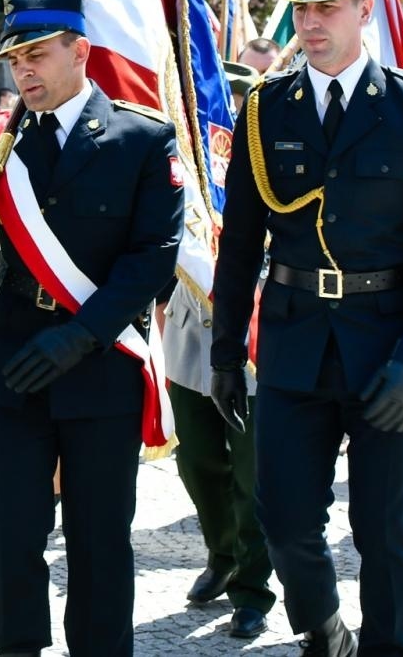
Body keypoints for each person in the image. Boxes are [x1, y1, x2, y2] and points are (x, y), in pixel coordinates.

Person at [0, 0, 184, 656]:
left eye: (38, 55)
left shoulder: (141, 138)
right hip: (14, 364)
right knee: (11, 531)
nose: (24, 71)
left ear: (79, 50)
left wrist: (80, 334)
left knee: (99, 537)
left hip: (100, 365)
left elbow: (154, 261)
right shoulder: (0, 139)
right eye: (15, 59)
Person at [210, 0, 403, 657]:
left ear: (364, 10)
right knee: (285, 519)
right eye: (302, 9)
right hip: (295, 344)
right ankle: (324, 633)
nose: (312, 22)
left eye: (328, 7)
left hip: (387, 343)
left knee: (386, 531)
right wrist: (227, 354)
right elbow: (239, 248)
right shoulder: (267, 109)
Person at [160, 270, 274, 637]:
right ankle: (224, 553)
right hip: (191, 326)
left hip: (258, 326)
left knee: (253, 472)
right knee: (195, 459)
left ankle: (253, 589)